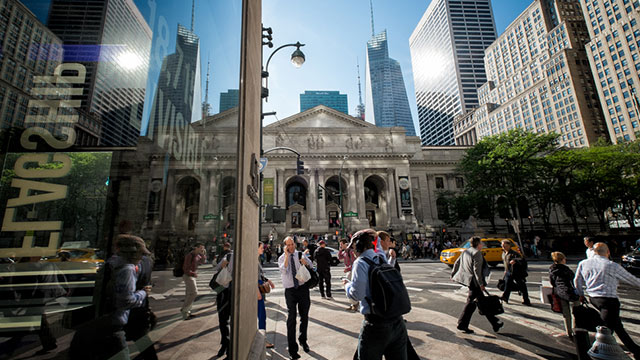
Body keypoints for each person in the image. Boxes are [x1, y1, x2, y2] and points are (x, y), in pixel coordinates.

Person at [344, 229, 408, 359]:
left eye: (353, 248)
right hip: (397, 322)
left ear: (358, 246)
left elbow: (357, 295)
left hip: (376, 325)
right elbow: (378, 246)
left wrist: (347, 285)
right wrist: (374, 236)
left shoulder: (360, 263)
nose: (353, 251)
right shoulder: (380, 257)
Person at [574, 243, 640, 359]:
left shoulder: (583, 263)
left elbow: (577, 280)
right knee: (607, 329)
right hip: (609, 300)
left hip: (593, 298)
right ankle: (597, 351)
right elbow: (631, 279)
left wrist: (580, 294)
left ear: (594, 252)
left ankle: (634, 349)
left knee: (614, 325)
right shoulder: (611, 265)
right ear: (608, 252)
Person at [109, 235, 152, 359]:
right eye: (140, 254)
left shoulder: (112, 262)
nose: (141, 257)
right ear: (132, 253)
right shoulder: (127, 269)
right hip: (116, 322)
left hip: (109, 319)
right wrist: (143, 293)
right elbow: (126, 301)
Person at [452, 236, 503, 334]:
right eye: (481, 243)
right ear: (478, 244)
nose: (483, 245)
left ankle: (495, 323)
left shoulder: (466, 251)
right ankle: (462, 324)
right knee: (472, 303)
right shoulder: (477, 253)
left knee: (481, 302)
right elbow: (477, 270)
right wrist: (481, 284)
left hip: (469, 281)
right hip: (475, 282)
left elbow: (457, 263)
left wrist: (453, 274)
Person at [278, 236, 312, 359]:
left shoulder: (300, 254)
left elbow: (311, 265)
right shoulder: (282, 258)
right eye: (288, 245)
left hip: (302, 289)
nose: (291, 247)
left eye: (292, 244)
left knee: (304, 316)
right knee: (291, 318)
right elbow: (284, 270)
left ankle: (303, 339)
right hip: (290, 291)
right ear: (285, 246)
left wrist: (306, 262)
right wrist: (287, 256)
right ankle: (293, 349)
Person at [549, 252, 580, 338]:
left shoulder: (552, 269)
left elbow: (552, 281)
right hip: (569, 291)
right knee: (576, 310)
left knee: (566, 313)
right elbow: (573, 279)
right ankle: (575, 328)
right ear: (562, 260)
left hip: (560, 291)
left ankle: (568, 331)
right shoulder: (566, 269)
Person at [215, 246, 233, 358]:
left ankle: (225, 344)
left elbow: (217, 268)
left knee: (223, 320)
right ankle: (227, 345)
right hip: (230, 292)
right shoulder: (230, 256)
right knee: (226, 320)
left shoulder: (229, 256)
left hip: (225, 292)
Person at [500, 239, 531, 306]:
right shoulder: (503, 253)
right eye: (502, 246)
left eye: (505, 246)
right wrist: (505, 270)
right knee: (507, 285)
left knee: (522, 285)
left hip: (517, 272)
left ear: (509, 246)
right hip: (509, 272)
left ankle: (526, 299)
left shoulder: (514, 253)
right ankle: (505, 297)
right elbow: (505, 263)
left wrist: (515, 261)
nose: (503, 247)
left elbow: (521, 260)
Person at [180, 243, 206, 320]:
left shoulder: (198, 255)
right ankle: (185, 309)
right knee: (194, 293)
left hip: (192, 276)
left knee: (189, 294)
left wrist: (203, 254)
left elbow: (203, 262)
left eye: (203, 248)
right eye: (201, 248)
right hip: (188, 276)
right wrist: (193, 273)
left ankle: (187, 312)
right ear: (196, 248)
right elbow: (185, 268)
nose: (202, 249)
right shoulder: (189, 256)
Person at [258, 242, 275, 349]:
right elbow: (253, 276)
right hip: (257, 290)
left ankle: (261, 339)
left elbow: (258, 274)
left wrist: (268, 280)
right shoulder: (253, 260)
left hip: (259, 288)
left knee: (261, 316)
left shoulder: (257, 259)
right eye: (261, 248)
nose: (263, 249)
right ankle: (262, 340)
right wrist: (256, 291)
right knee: (261, 316)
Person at [338, 239, 358, 312]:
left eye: (341, 244)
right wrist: (340, 250)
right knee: (348, 287)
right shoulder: (345, 252)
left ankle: (354, 304)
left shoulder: (351, 252)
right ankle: (353, 304)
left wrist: (348, 268)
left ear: (345, 244)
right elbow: (340, 258)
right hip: (348, 271)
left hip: (352, 271)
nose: (340, 246)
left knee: (349, 287)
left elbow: (355, 263)